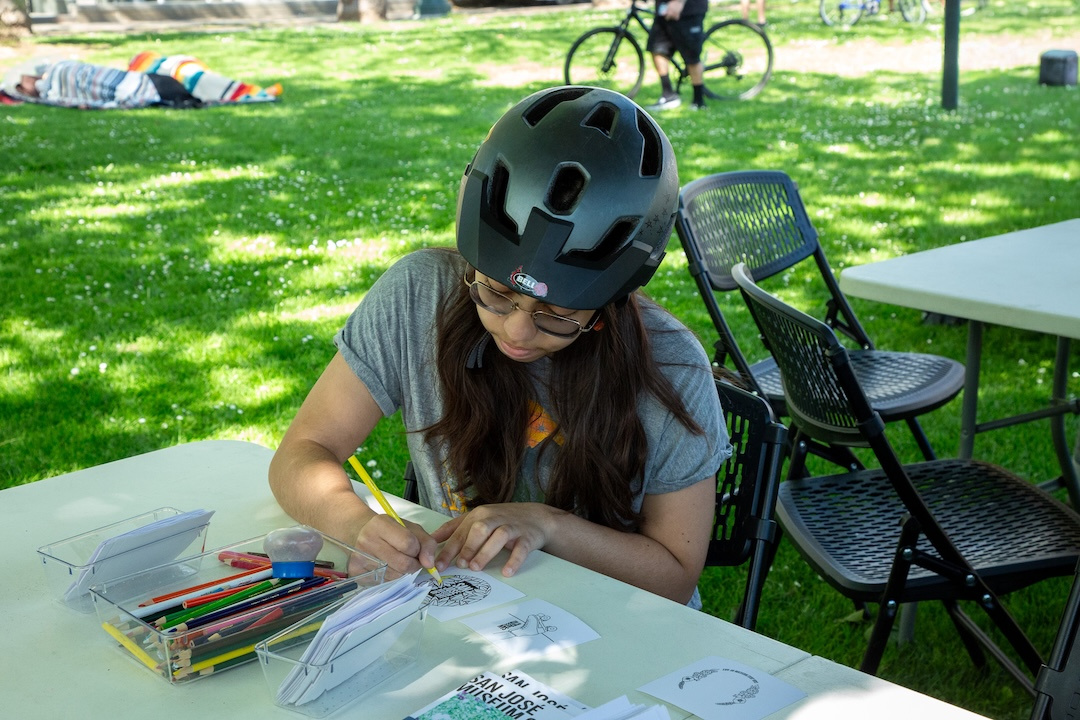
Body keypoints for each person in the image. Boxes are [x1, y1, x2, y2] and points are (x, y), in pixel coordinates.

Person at [268, 86, 731, 609]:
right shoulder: (422, 294)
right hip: (466, 619)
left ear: (609, 302)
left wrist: (549, 526)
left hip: (615, 624)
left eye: (557, 316)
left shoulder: (672, 365)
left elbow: (675, 576)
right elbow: (302, 455)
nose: (516, 331)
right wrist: (357, 524)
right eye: (495, 292)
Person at [645, 0, 710, 111]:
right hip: (663, 9)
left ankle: (698, 101)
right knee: (657, 49)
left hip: (688, 9)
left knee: (692, 57)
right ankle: (668, 95)